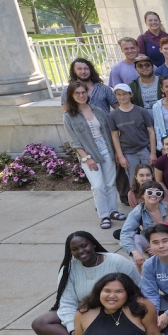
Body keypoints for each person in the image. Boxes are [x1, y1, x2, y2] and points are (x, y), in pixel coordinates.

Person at [32, 232, 139, 335]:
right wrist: (73, 329)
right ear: (71, 252)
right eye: (75, 249)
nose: (81, 251)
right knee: (40, 323)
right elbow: (67, 302)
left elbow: (138, 289)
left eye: (84, 246)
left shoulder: (117, 261)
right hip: (85, 312)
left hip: (116, 310)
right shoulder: (68, 269)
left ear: (93, 244)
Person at [64, 81, 123, 229]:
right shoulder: (69, 116)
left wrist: (115, 152)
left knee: (110, 183)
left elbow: (108, 133)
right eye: (77, 93)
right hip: (89, 153)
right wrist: (86, 158)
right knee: (97, 186)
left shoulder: (98, 110)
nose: (81, 95)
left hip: (106, 149)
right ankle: (104, 216)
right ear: (71, 95)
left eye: (83, 92)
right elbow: (74, 141)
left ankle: (113, 211)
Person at [108, 83, 156, 181]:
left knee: (150, 177)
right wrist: (120, 156)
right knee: (133, 180)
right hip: (128, 152)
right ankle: (135, 196)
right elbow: (115, 136)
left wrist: (153, 153)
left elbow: (151, 131)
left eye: (125, 94)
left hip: (144, 149)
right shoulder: (113, 115)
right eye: (119, 94)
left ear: (131, 95)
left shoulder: (141, 111)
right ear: (115, 96)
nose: (122, 97)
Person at [121, 180, 168, 268]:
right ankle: (139, 276)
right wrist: (134, 252)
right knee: (135, 239)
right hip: (150, 242)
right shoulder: (137, 212)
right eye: (149, 192)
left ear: (161, 197)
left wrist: (158, 247)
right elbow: (125, 233)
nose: (153, 195)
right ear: (142, 194)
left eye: (158, 193)